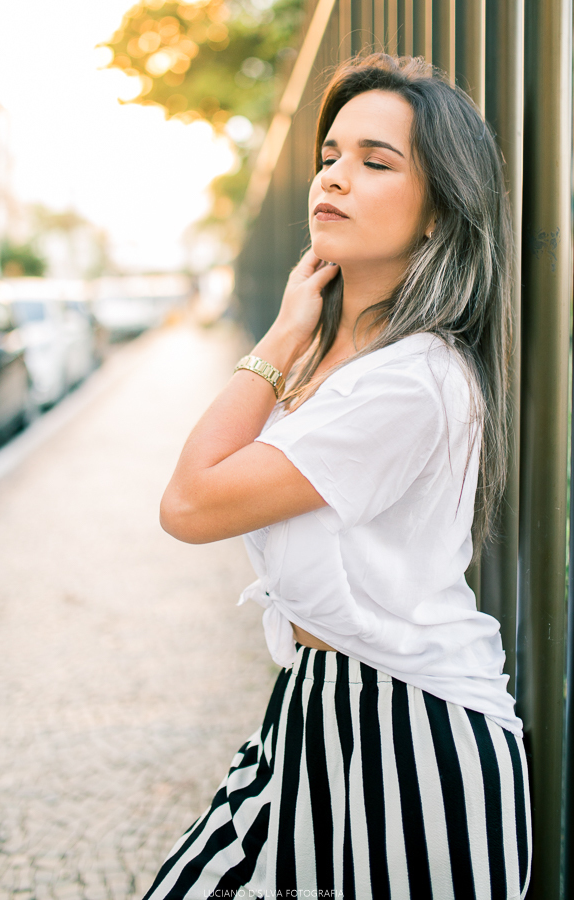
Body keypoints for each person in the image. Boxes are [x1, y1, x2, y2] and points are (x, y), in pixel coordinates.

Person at [142, 53, 531, 900]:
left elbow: (190, 503)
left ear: (437, 214)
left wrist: (276, 342)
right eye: (328, 156)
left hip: (416, 738)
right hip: (313, 709)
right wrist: (293, 341)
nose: (334, 178)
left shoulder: (409, 381)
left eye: (375, 161)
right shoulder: (335, 360)